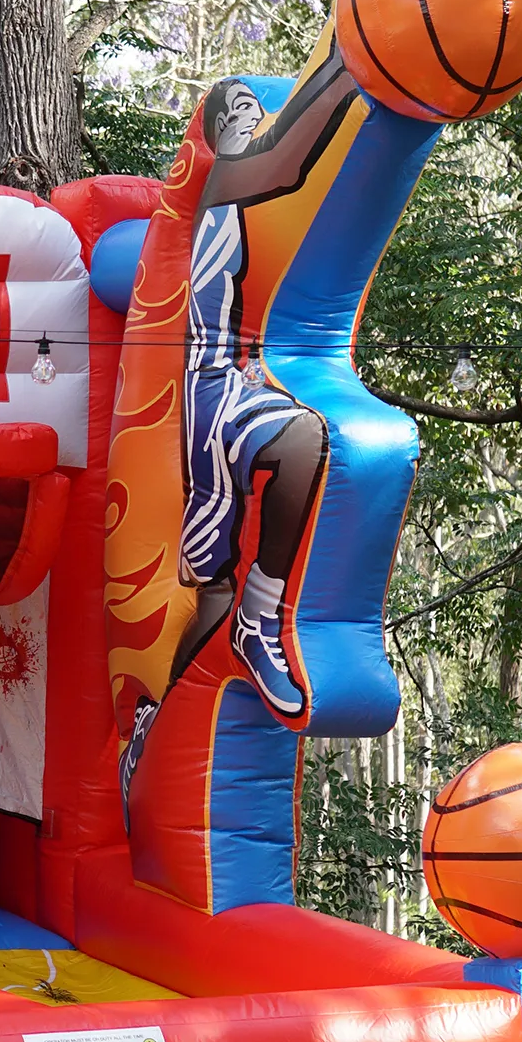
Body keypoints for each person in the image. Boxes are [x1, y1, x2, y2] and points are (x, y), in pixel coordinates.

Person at [121, 51, 357, 803]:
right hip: (194, 386)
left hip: (233, 375)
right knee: (212, 585)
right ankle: (157, 713)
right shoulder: (213, 191)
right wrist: (349, 66)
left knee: (300, 446)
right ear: (215, 134)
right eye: (241, 116)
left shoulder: (244, 220)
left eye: (257, 115)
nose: (252, 127)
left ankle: (257, 617)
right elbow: (287, 164)